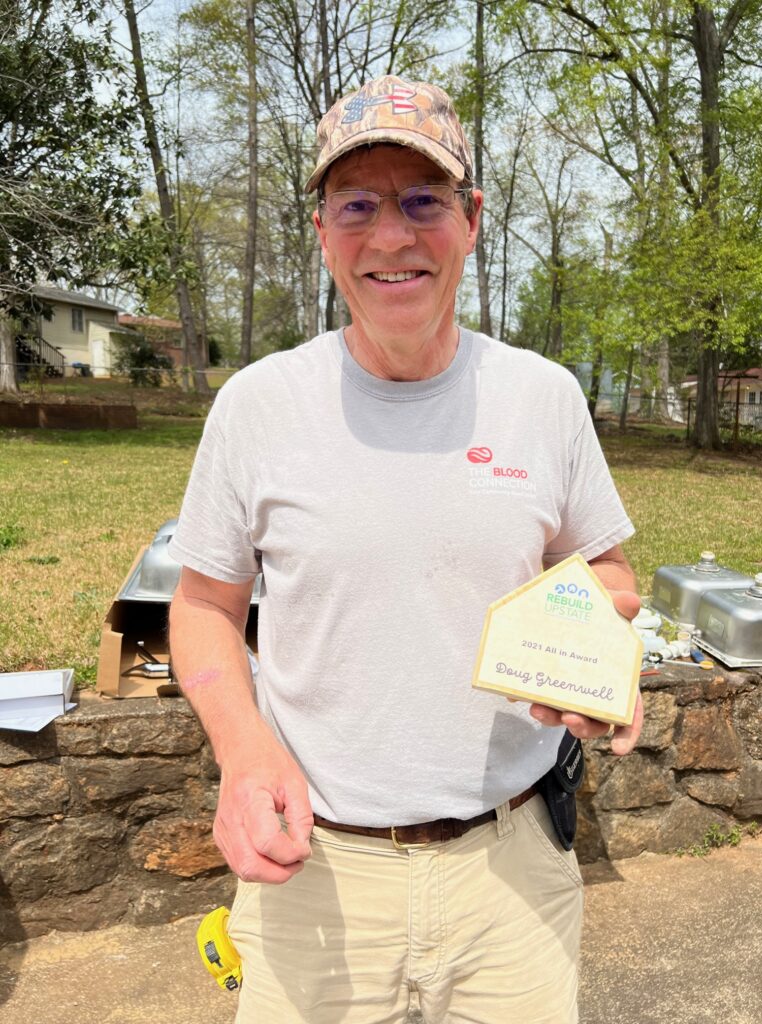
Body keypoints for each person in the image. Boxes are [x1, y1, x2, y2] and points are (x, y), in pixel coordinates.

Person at [168, 74, 642, 1024]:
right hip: (315, 879)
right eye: (358, 204)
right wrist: (244, 751)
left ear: (470, 220)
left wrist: (594, 660)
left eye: (423, 200)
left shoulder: (542, 396)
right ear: (321, 229)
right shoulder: (257, 407)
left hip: (512, 871)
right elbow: (204, 608)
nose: (391, 235)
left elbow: (611, 574)